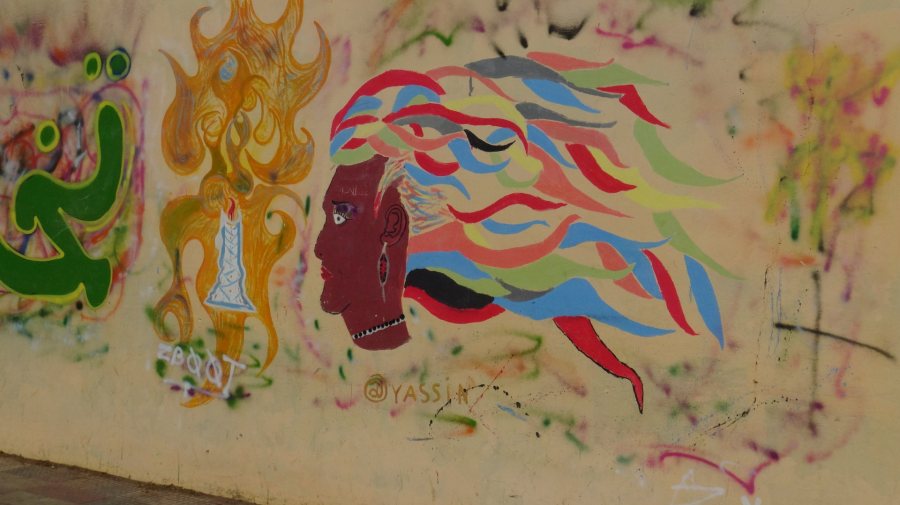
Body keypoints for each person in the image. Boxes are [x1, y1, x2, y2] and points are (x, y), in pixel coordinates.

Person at [315, 53, 730, 412]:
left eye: (340, 217)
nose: (318, 246)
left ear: (392, 225)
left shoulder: (468, 318)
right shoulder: (439, 308)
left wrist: (621, 370)